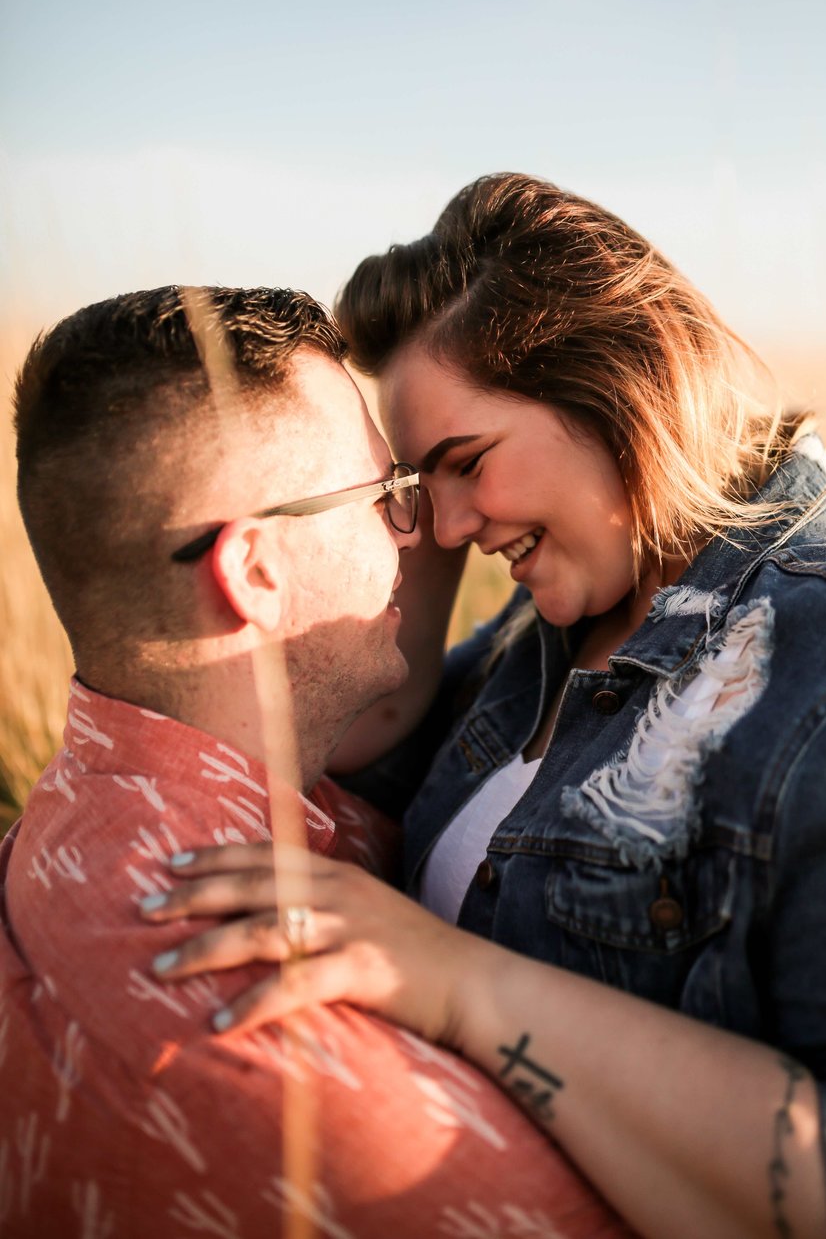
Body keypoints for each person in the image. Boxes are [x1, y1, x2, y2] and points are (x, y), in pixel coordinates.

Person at [151, 176, 826, 1239]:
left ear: (624, 385)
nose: (450, 525)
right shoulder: (542, 638)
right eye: (420, 484)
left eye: (466, 464)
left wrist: (461, 986)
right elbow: (357, 743)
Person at [0, 285, 628, 1239]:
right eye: (384, 497)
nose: (419, 532)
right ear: (255, 571)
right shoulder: (253, 1006)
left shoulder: (86, 824)